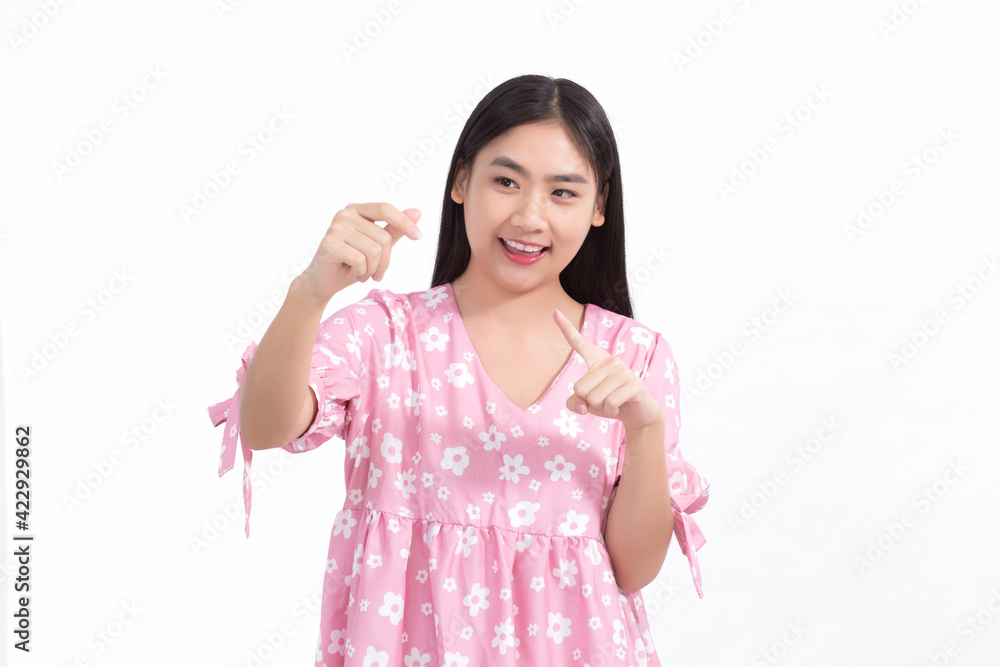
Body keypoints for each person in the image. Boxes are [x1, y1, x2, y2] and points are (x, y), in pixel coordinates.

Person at [207, 73, 709, 666]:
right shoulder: (387, 335)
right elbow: (266, 428)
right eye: (505, 181)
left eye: (563, 193)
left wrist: (645, 429)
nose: (529, 215)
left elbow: (634, 569)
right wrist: (310, 293)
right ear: (462, 182)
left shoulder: (636, 357)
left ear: (600, 207)